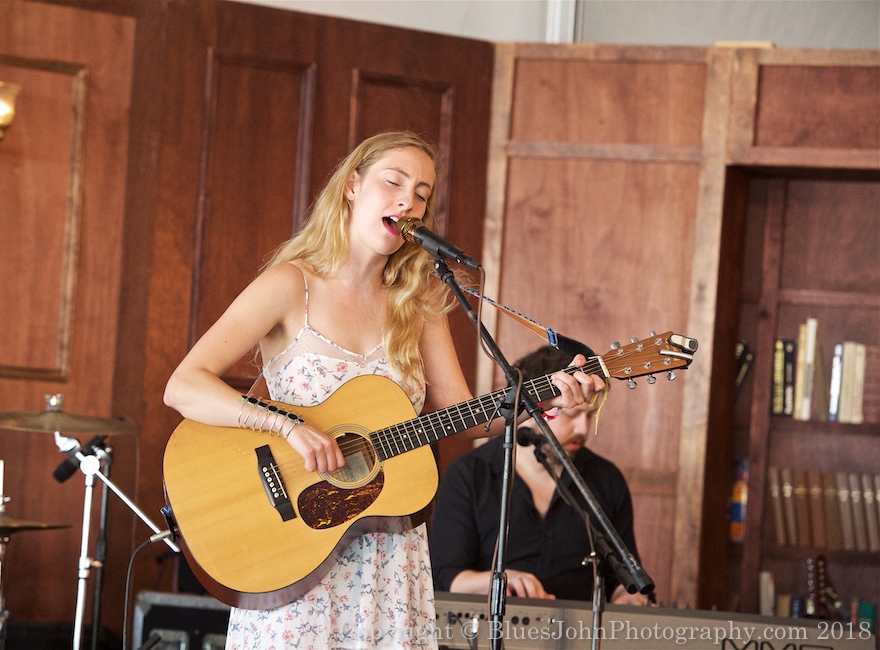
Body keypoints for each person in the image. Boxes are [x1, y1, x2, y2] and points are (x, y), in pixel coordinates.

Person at [163, 130, 606, 649]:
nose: (407, 201)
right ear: (352, 186)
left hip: (387, 562)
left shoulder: (418, 303)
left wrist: (546, 396)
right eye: (393, 182)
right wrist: (286, 426)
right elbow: (183, 386)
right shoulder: (289, 284)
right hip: (292, 545)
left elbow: (469, 418)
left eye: (421, 194)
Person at [429, 344, 649, 606]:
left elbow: (623, 578)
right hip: (489, 625)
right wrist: (500, 580)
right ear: (532, 411)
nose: (583, 429)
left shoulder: (607, 479)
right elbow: (446, 578)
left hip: (579, 629)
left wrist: (629, 597)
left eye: (590, 417)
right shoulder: (469, 474)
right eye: (573, 415)